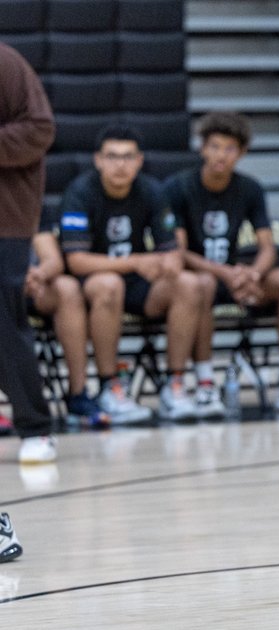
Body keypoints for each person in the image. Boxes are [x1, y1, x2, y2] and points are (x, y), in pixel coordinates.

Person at [165, 111, 279, 416]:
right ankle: (206, 384)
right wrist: (227, 273)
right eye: (215, 146)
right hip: (197, 279)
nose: (221, 155)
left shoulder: (249, 188)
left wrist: (254, 273)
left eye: (230, 148)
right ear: (202, 148)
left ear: (242, 152)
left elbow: (267, 247)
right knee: (203, 284)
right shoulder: (179, 187)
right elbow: (179, 252)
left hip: (236, 277)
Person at [61, 124, 205, 423]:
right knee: (109, 284)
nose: (120, 164)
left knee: (189, 283)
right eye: (112, 157)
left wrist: (169, 263)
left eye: (128, 157)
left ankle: (174, 384)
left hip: (140, 287)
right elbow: (76, 261)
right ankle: (109, 386)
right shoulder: (80, 192)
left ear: (139, 161)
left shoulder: (152, 190)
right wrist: (136, 261)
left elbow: (172, 250)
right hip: (93, 288)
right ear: (98, 160)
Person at [0, 42, 57, 465]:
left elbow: (39, 129)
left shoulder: (6, 63)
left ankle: (35, 426)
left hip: (5, 221)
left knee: (3, 324)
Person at [26, 206, 110, 428]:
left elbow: (53, 260)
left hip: (27, 285)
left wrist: (38, 274)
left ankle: (78, 393)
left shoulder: (24, 198)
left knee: (67, 288)